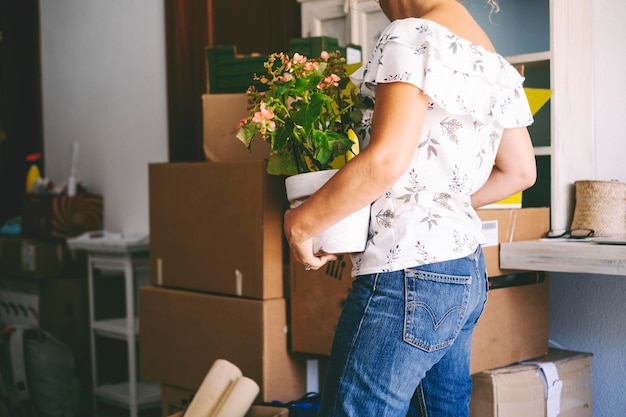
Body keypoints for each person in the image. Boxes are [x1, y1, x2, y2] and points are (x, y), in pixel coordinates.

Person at [283, 0, 537, 415]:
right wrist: (432, 201)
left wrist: (302, 221)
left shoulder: (413, 33)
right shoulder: (494, 61)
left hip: (407, 272)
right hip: (465, 268)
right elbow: (521, 172)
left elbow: (385, 160)